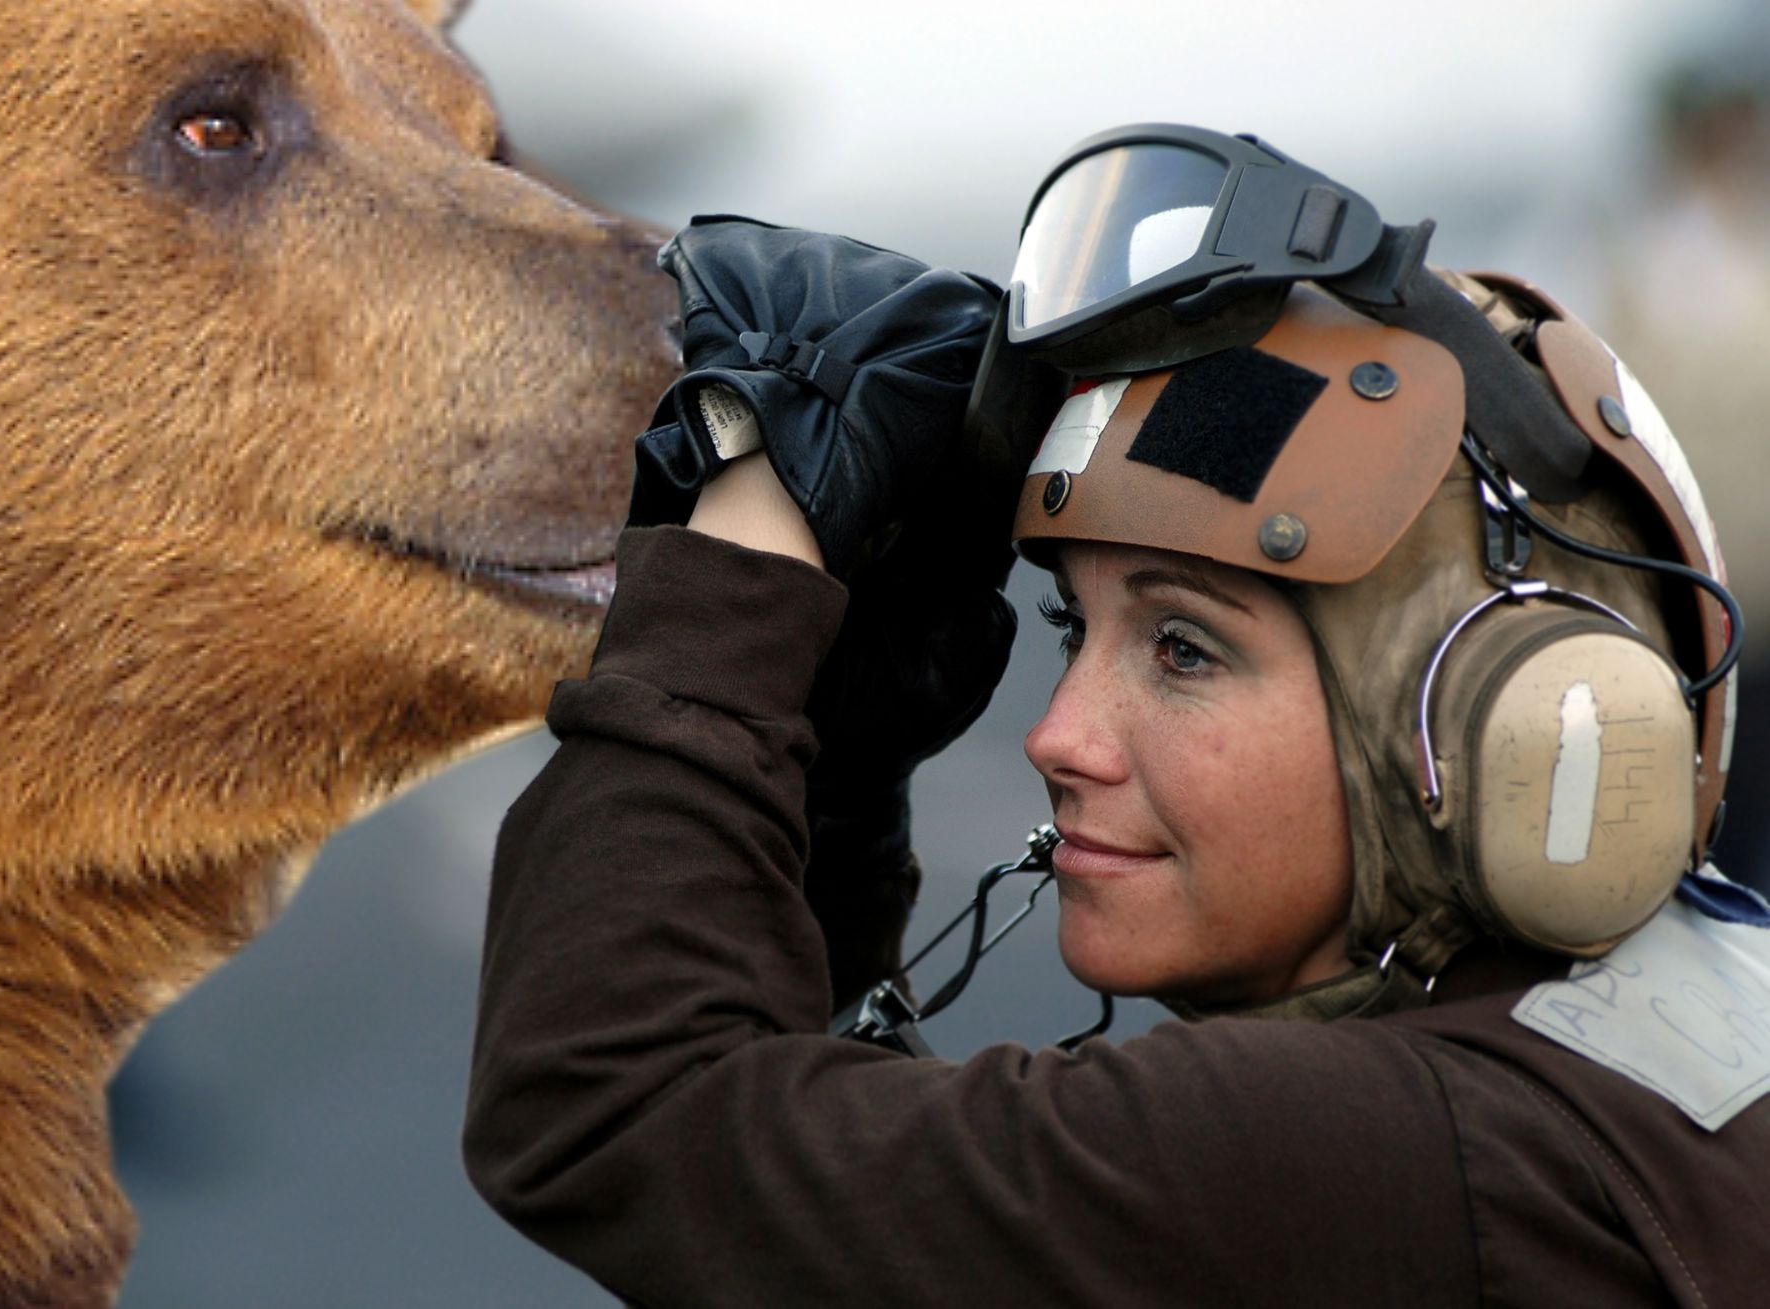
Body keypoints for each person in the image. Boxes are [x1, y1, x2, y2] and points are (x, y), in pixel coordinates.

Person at [462, 128, 1770, 1306]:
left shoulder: (1392, 1148)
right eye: (1072, 631)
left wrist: (755, 511)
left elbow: (615, 1107)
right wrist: (832, 791)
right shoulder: (1641, 1051)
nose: (1057, 735)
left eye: (1184, 647)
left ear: (1502, 728)